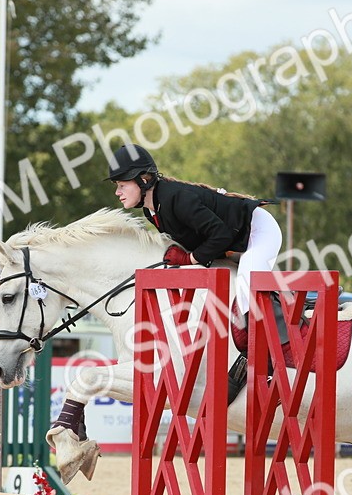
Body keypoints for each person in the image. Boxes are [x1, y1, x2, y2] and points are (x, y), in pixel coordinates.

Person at [106, 144, 282, 400]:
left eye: (122, 185)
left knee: (246, 291)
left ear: (143, 180)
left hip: (258, 232)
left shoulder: (177, 198)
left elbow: (219, 234)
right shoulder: (152, 208)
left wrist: (189, 258)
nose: (117, 192)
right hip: (233, 241)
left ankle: (270, 368)